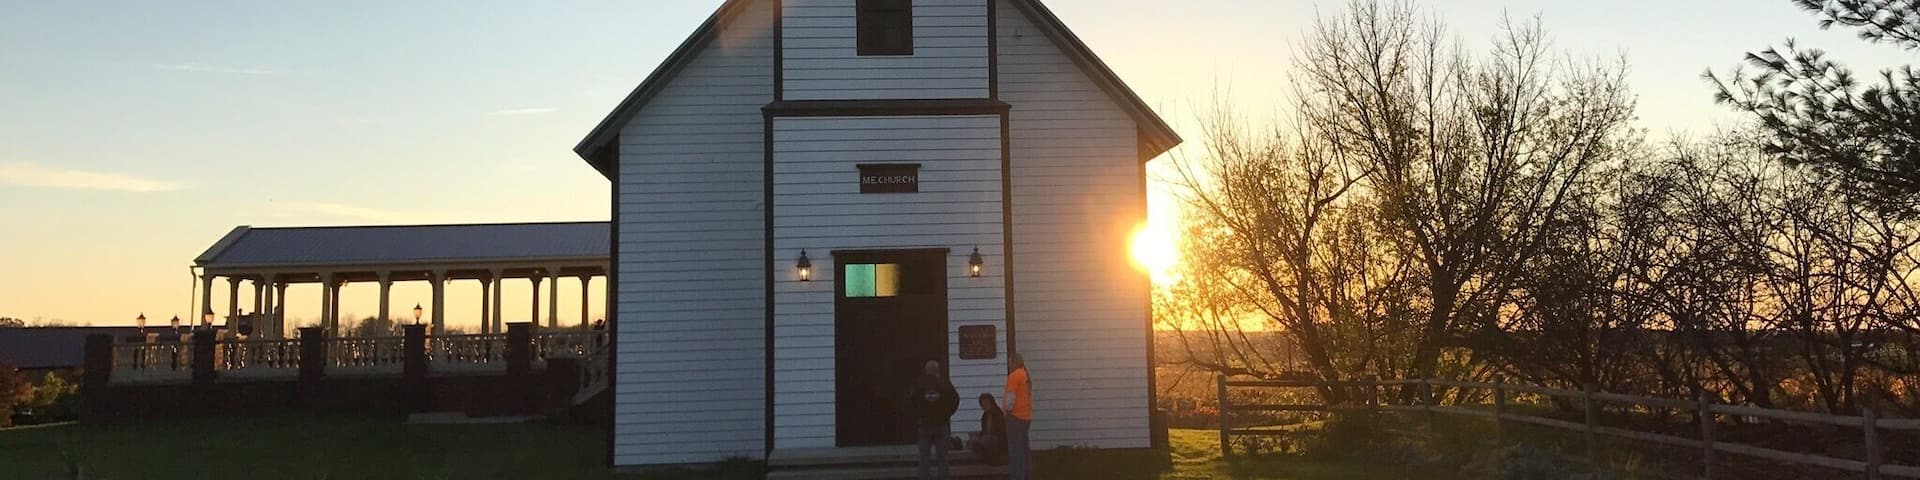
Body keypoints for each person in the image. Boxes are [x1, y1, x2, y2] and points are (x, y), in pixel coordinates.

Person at [909, 359, 959, 480]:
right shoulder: (945, 383)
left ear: (926, 370)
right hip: (941, 425)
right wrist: (946, 414)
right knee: (942, 458)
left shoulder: (919, 384)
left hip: (924, 426)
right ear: (938, 370)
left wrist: (918, 415)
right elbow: (955, 400)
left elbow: (911, 401)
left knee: (924, 458)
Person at [1004, 353, 1033, 480]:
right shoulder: (1025, 375)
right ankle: (1026, 475)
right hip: (1026, 416)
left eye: (1010, 362)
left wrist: (1008, 410)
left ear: (1015, 363)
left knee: (1016, 452)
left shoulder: (1014, 376)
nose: (1009, 365)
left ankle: (1018, 476)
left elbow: (1011, 396)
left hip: (1015, 416)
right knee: (1024, 450)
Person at [966, 393, 1008, 466]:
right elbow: (984, 431)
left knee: (988, 439)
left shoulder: (998, 414)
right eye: (982, 404)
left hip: (998, 442)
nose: (984, 406)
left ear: (991, 403)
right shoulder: (985, 416)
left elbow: (1001, 433)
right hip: (987, 440)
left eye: (986, 404)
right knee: (971, 441)